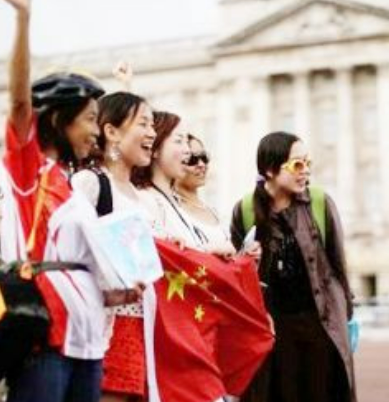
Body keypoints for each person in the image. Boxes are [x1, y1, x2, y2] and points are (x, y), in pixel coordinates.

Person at [1, 1, 139, 401]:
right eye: (90, 119)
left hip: (88, 339)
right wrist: (24, 19)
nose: (96, 132)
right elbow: (20, 103)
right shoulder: (28, 172)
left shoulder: (73, 186)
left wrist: (116, 290)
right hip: (46, 335)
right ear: (59, 120)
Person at [230, 132, 357, 402]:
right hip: (274, 334)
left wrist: (347, 315)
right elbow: (236, 274)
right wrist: (246, 258)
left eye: (307, 163)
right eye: (297, 164)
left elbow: (338, 264)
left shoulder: (320, 202)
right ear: (270, 169)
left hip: (321, 327)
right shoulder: (245, 210)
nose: (305, 171)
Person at [72, 91, 157, 402]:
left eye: (153, 125)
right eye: (143, 124)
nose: (152, 133)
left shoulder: (142, 197)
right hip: (105, 324)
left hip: (143, 325)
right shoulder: (89, 183)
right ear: (111, 131)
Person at [175, 134, 236, 257]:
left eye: (204, 157)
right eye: (192, 159)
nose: (201, 164)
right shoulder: (171, 211)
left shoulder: (214, 212)